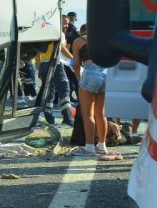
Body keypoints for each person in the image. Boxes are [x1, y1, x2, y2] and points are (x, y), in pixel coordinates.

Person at [71, 25, 109, 155]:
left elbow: (76, 65)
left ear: (82, 32)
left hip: (90, 74)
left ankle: (89, 147)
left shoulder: (78, 41)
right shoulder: (105, 39)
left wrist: (79, 80)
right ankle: (102, 145)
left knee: (88, 114)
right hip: (106, 74)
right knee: (101, 113)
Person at [39, 19, 76, 126]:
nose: (66, 25)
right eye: (64, 22)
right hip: (55, 63)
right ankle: (67, 117)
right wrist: (73, 58)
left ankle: (48, 117)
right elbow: (62, 48)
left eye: (68, 23)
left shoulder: (46, 33)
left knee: (50, 91)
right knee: (64, 88)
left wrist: (38, 64)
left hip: (45, 63)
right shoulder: (59, 33)